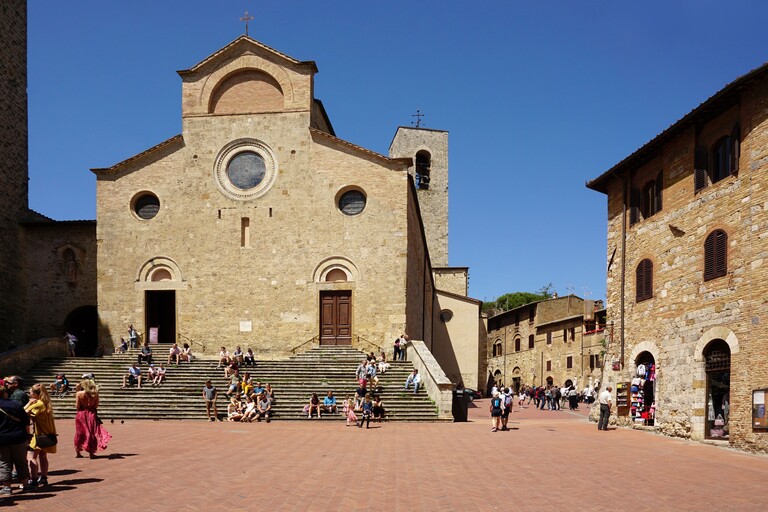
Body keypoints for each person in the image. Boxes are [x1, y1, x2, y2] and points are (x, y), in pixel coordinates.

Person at [0, 380, 31, 496]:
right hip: (18, 437)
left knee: (4, 463)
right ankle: (25, 484)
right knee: (21, 462)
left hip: (1, 439)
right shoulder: (15, 404)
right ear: (5, 393)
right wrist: (27, 436)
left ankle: (7, 487)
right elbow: (26, 422)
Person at [24, 384, 57, 488]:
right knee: (43, 456)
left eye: (30, 392)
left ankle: (33, 480)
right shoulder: (46, 403)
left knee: (31, 457)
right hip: (47, 433)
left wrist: (28, 403)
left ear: (35, 394)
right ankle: (43, 478)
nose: (29, 394)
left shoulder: (37, 404)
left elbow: (21, 412)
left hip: (39, 435)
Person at [74, 380, 111, 458]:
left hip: (81, 414)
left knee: (80, 433)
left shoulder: (78, 394)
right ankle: (91, 452)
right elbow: (96, 406)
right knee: (91, 433)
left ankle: (78, 452)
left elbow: (77, 406)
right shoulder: (95, 394)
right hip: (91, 414)